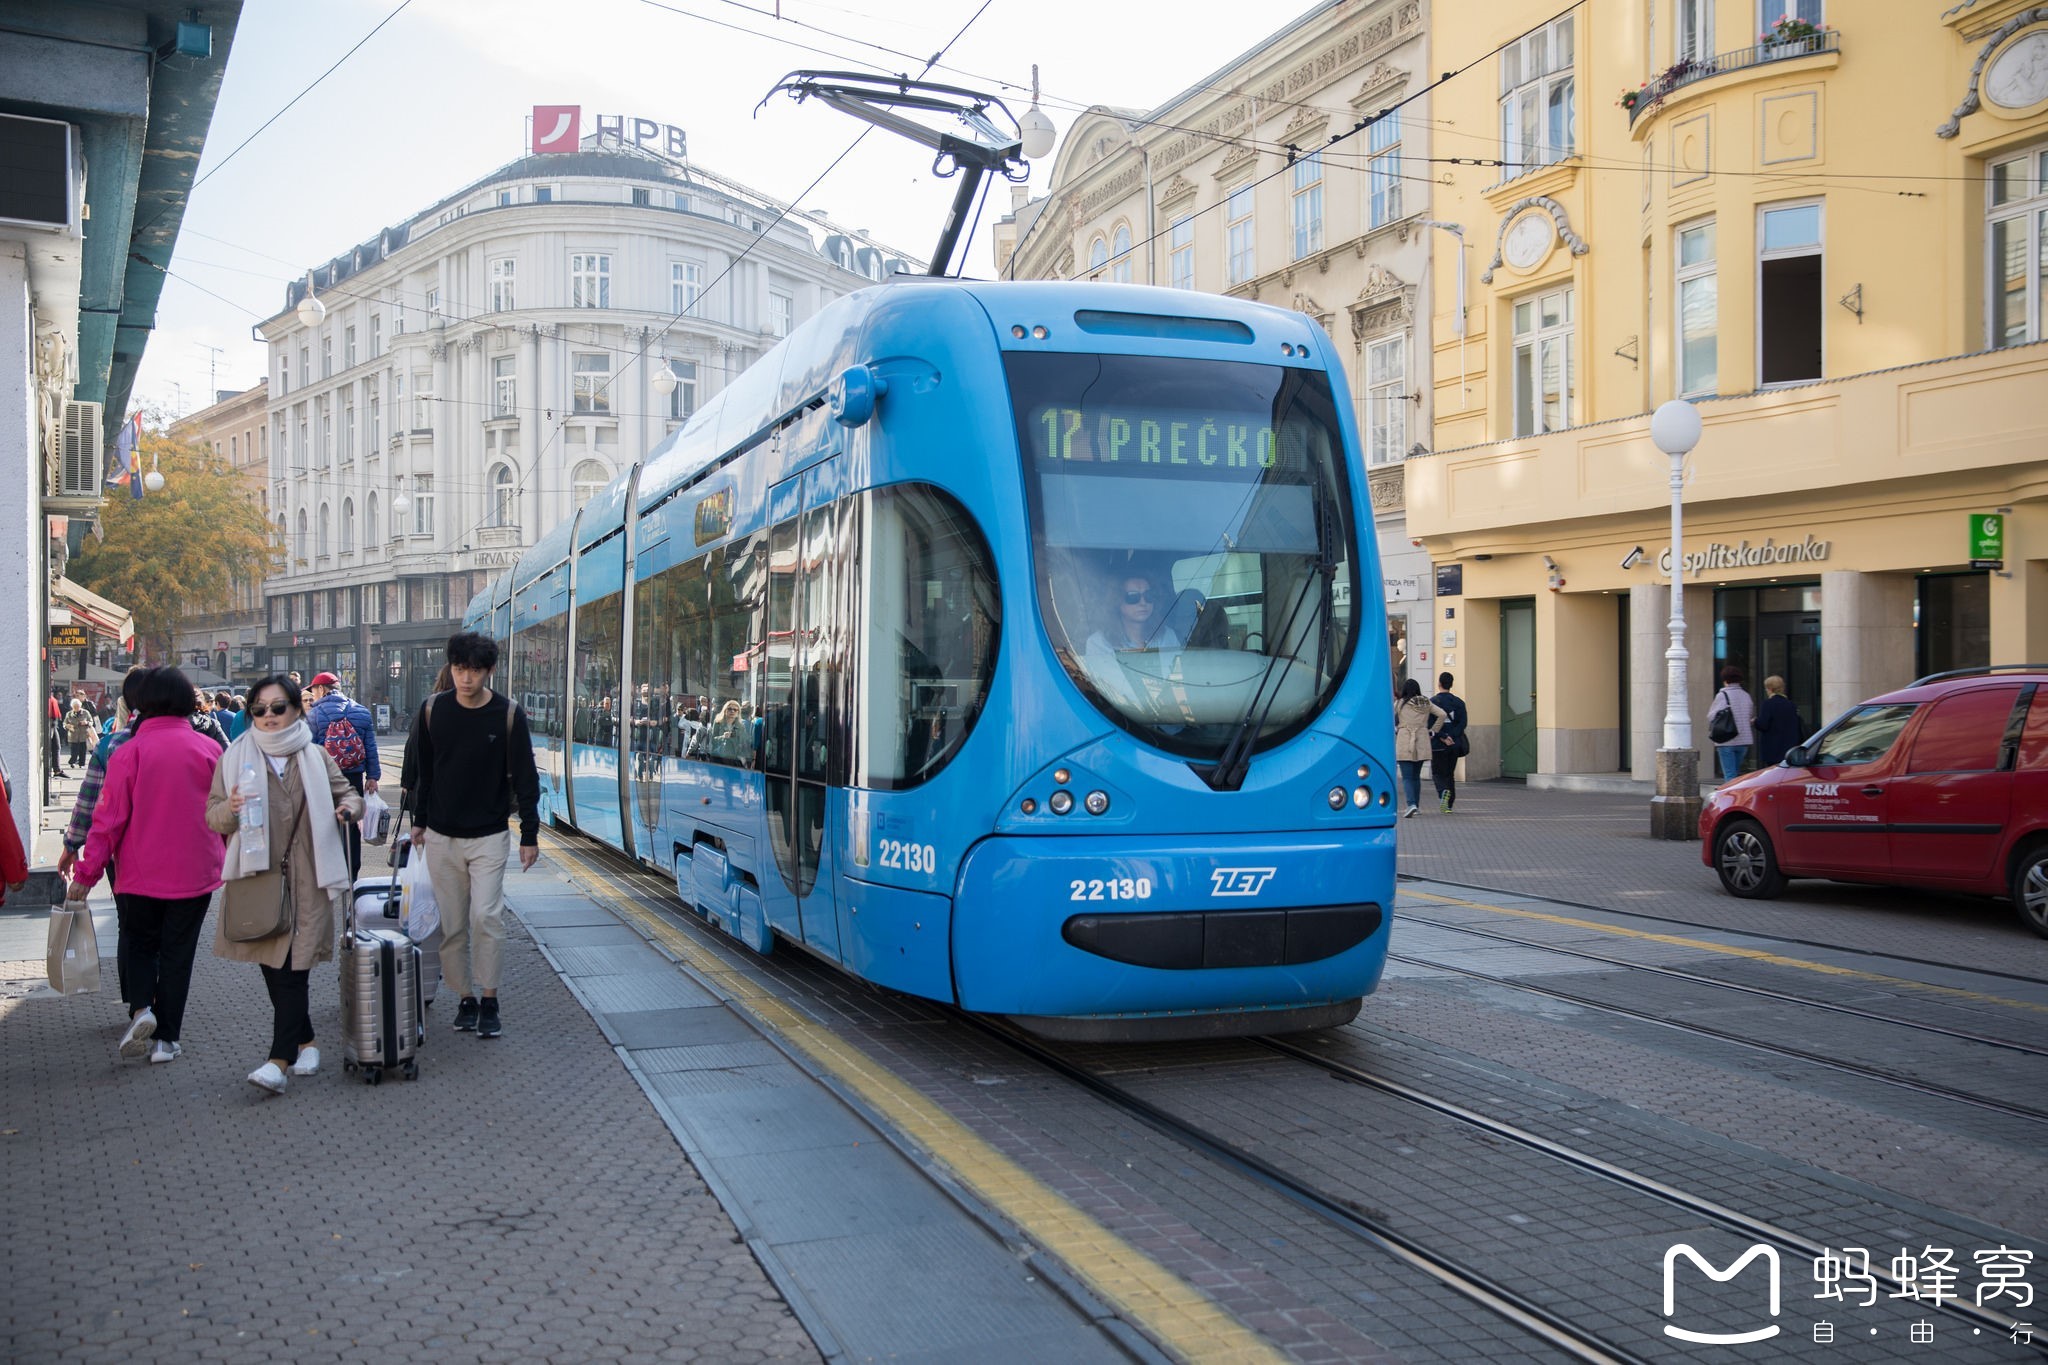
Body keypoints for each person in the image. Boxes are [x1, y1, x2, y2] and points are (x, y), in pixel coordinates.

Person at [206, 675, 362, 1095]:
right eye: (259, 709)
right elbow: (212, 815)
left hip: (309, 876)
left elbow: (348, 794)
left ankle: (279, 1060)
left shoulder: (314, 756)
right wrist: (231, 809)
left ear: (296, 708)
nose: (269, 716)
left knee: (294, 970)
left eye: (278, 708)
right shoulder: (234, 757)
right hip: (257, 879)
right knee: (273, 969)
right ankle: (306, 1040)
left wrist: (347, 810)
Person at [66, 667, 226, 1065]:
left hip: (138, 873)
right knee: (178, 953)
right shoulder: (210, 750)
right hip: (196, 871)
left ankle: (141, 1010)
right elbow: (228, 814)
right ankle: (167, 1040)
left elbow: (108, 820)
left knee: (139, 943)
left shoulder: (128, 751)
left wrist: (87, 873)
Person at [405, 632, 540, 1040]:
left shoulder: (508, 715)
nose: (466, 678)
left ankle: (490, 998)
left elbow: (528, 779)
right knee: (452, 925)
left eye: (475, 670)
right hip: (441, 835)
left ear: (489, 671)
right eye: (459, 669)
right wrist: (418, 820)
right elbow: (425, 773)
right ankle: (464, 997)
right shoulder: (432, 711)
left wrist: (529, 835)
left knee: (486, 916)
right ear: (451, 667)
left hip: (490, 835)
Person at [304, 671, 381, 877]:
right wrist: (372, 776)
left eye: (313, 691)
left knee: (326, 824)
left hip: (324, 778)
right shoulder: (361, 711)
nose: (313, 696)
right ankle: (352, 870)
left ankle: (330, 871)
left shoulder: (313, 715)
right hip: (353, 777)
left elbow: (308, 751)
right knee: (352, 822)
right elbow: (370, 747)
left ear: (322, 689)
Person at [1393, 678, 1448, 818]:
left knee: (1407, 776)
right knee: (1416, 776)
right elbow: (1442, 714)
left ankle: (1411, 804)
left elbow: (1388, 717)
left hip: (1405, 739)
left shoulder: (1400, 703)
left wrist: (1395, 729)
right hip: (1422, 738)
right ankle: (1416, 806)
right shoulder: (1426, 702)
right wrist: (1433, 730)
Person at [1706, 666, 1757, 781]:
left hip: (1726, 740)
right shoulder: (1746, 695)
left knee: (1730, 775)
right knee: (1735, 774)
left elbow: (1711, 716)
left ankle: (1730, 798)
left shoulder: (1722, 696)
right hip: (1744, 741)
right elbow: (1749, 714)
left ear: (1725, 680)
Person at [1428, 671, 1469, 814]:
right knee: (1449, 773)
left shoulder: (1432, 702)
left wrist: (1442, 736)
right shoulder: (1459, 703)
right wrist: (1452, 736)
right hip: (1454, 744)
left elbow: (1430, 724)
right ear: (1451, 685)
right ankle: (1449, 804)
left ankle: (1443, 793)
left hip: (1438, 745)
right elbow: (1463, 723)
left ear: (1439, 684)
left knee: (1437, 773)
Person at [1754, 674, 1803, 768]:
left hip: (1773, 747)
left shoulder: (1768, 704)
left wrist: (1755, 721)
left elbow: (1763, 725)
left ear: (1770, 689)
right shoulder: (1791, 704)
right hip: (1790, 747)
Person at [63, 696, 96, 769]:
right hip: (73, 735)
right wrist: (67, 726)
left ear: (80, 706)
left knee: (82, 751)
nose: (76, 708)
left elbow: (91, 722)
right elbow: (64, 723)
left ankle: (82, 764)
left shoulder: (85, 712)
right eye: (74, 707)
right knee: (74, 751)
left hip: (83, 735)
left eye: (77, 707)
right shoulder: (69, 714)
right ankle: (72, 762)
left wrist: (86, 722)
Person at [47, 689, 67, 776]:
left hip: (53, 724)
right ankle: (56, 769)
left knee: (56, 746)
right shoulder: (50, 699)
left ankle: (57, 769)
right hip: (50, 723)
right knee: (53, 747)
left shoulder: (52, 699)